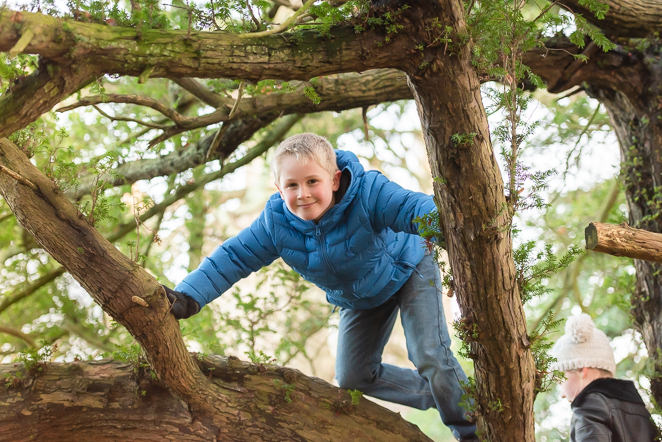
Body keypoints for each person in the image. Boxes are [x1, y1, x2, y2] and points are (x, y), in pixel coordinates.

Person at [164, 133, 476, 440]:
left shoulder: (368, 192)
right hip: (360, 298)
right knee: (354, 378)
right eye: (292, 185)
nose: (303, 194)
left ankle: (473, 430)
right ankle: (456, 396)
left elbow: (413, 208)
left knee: (429, 354)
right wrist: (188, 295)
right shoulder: (276, 224)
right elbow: (233, 257)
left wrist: (455, 224)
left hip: (408, 267)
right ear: (279, 188)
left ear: (335, 180)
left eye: (313, 181)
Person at [551, 313, 659, 441]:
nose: (562, 394)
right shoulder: (638, 408)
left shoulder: (588, 406)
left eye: (560, 381)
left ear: (581, 370)